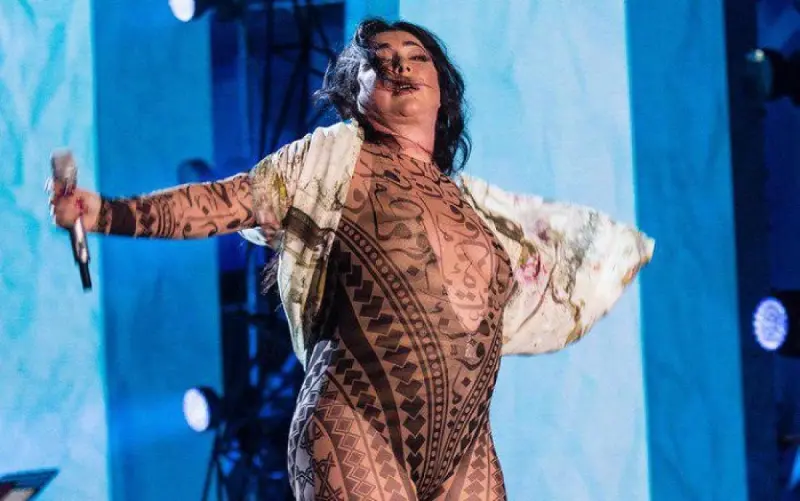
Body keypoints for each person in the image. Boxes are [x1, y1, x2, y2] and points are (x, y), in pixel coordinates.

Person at [50, 18, 653, 501]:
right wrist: (104, 212)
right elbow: (223, 202)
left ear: (442, 89)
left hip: (467, 447)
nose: (399, 65)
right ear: (353, 92)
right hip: (355, 422)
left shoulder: (480, 209)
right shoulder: (331, 162)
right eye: (378, 60)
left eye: (416, 57)